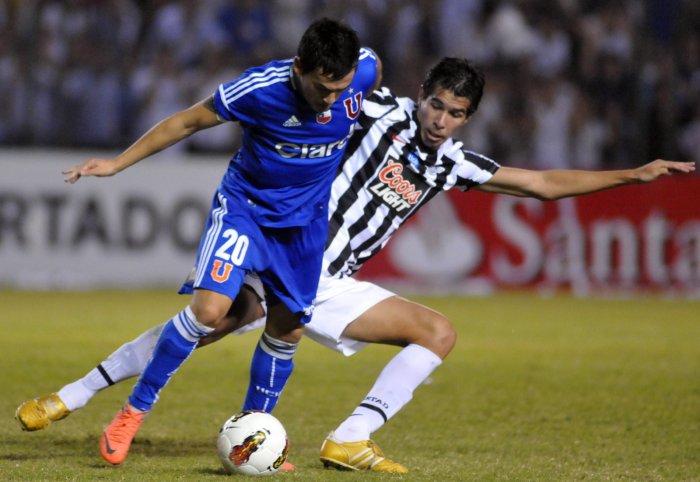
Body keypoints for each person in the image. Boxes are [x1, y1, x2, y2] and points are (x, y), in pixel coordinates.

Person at [17, 58, 694, 473]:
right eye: (436, 104)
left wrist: (636, 174)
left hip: (332, 282)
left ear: (467, 118)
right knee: (208, 319)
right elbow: (309, 92)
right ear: (420, 94)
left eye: (457, 113)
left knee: (438, 332)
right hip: (286, 254)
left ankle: (348, 439)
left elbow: (542, 185)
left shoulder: (452, 162)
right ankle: (73, 396)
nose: (441, 120)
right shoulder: (370, 108)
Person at [54, 17, 381, 466]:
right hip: (246, 210)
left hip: (304, 226)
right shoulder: (257, 89)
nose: (331, 100)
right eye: (322, 88)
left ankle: (256, 434)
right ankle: (133, 412)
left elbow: (368, 77)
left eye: (340, 89)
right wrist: (117, 164)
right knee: (209, 311)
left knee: (288, 329)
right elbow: (186, 122)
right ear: (299, 66)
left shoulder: (365, 70)